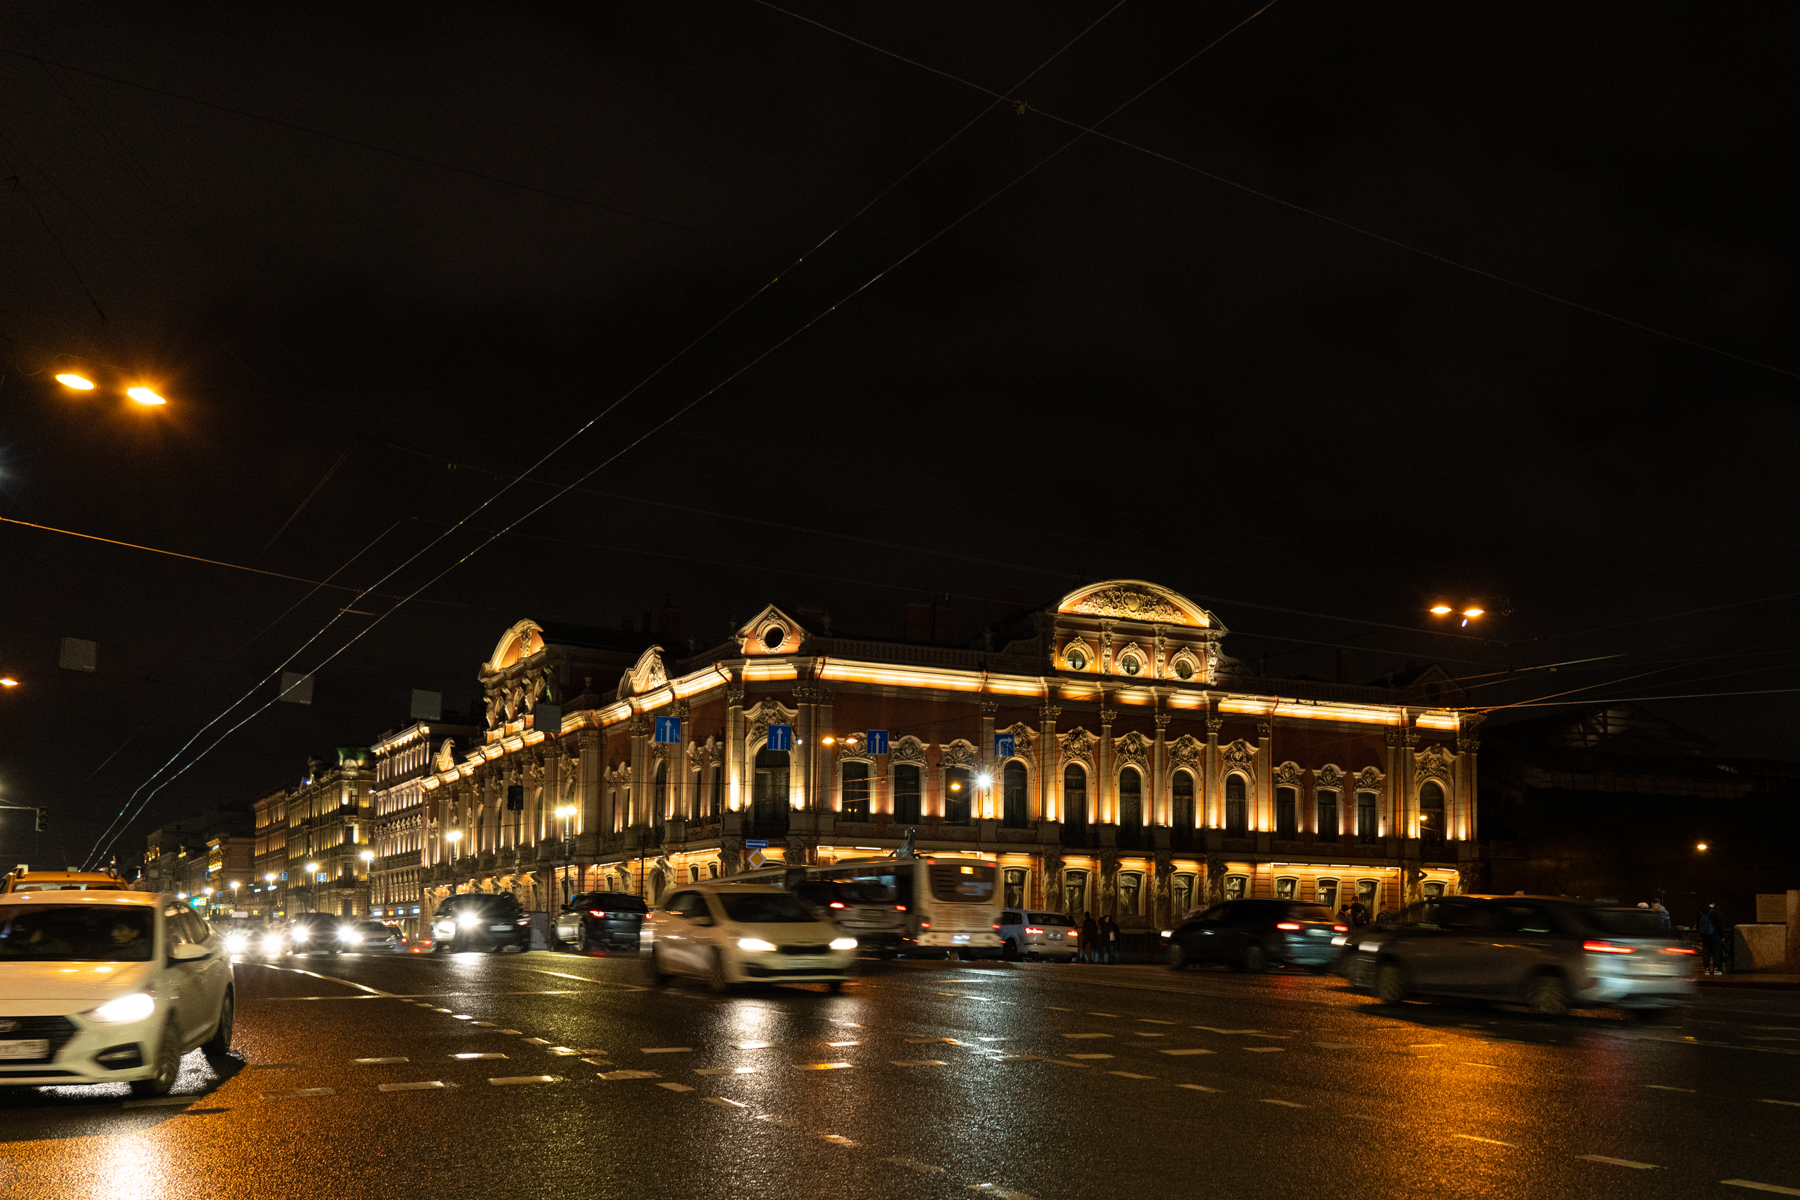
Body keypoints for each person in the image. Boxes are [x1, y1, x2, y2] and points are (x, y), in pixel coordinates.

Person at [1698, 902, 1725, 975]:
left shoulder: (1702, 913)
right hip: (1715, 935)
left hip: (1705, 936)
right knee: (1716, 952)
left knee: (1706, 952)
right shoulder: (1716, 913)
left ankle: (1707, 969)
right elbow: (1720, 925)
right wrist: (1722, 936)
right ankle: (1716, 969)